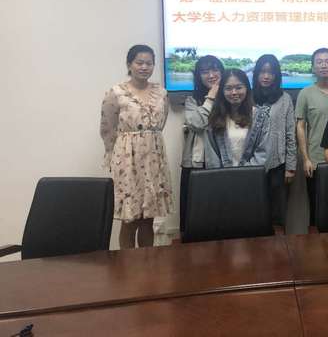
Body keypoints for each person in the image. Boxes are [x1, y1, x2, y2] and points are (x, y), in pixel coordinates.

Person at [100, 44, 173, 249]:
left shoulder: (161, 92)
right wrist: (113, 155)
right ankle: (128, 264)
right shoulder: (116, 93)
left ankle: (147, 262)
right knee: (130, 218)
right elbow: (107, 127)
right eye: (139, 62)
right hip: (127, 160)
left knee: (149, 217)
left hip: (154, 159)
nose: (144, 67)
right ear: (129, 64)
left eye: (149, 63)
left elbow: (160, 125)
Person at [180, 55, 225, 234]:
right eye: (205, 71)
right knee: (195, 219)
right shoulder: (192, 100)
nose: (211, 75)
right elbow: (197, 123)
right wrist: (211, 96)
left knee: (221, 217)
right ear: (198, 76)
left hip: (223, 164)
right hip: (196, 165)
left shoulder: (230, 96)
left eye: (215, 70)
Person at [295, 48, 328, 225]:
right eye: (319, 62)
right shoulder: (305, 93)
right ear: (313, 67)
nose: (324, 65)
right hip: (315, 161)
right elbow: (300, 127)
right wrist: (305, 158)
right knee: (316, 209)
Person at [252, 54, 297, 226]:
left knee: (278, 215)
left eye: (270, 72)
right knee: (254, 212)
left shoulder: (285, 99)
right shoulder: (248, 96)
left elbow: (290, 133)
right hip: (251, 165)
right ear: (256, 74)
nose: (266, 76)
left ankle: (278, 243)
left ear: (276, 75)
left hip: (278, 165)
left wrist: (291, 167)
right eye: (262, 72)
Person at [204, 68, 270, 168]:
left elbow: (262, 154)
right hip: (221, 175)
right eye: (228, 88)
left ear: (247, 89)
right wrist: (221, 174)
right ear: (222, 91)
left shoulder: (261, 117)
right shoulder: (214, 117)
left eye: (239, 87)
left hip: (251, 175)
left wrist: (241, 174)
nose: (234, 92)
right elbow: (212, 156)